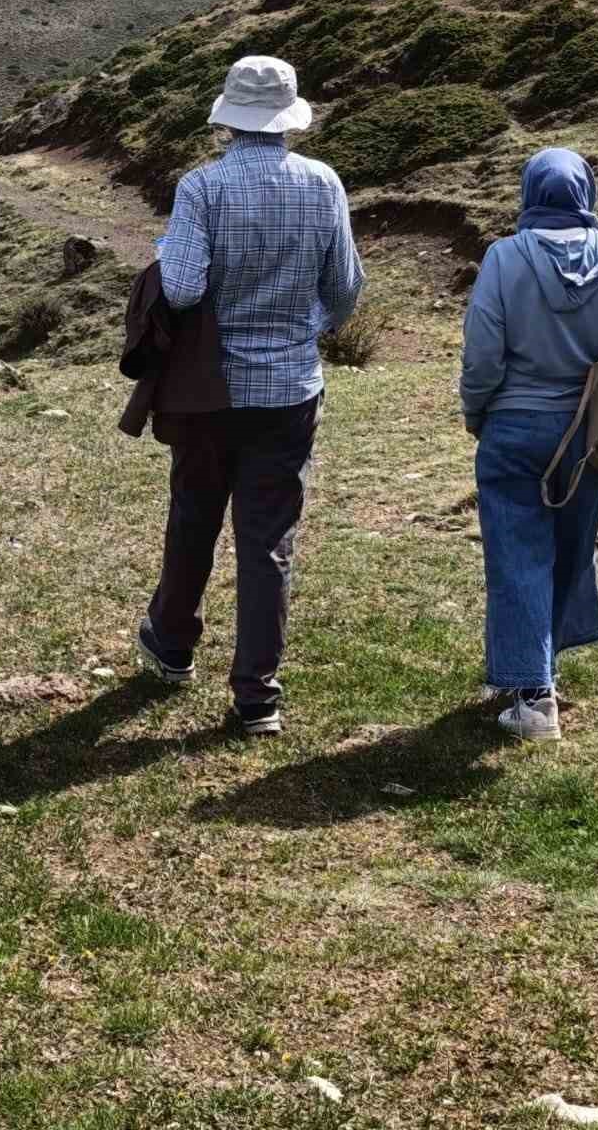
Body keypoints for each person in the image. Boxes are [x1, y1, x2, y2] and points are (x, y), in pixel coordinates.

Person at [137, 55, 365, 734]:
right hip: (291, 389)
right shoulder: (323, 184)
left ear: (228, 118)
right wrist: (305, 331)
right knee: (269, 540)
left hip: (210, 388)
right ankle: (256, 696)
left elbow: (179, 289)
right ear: (287, 119)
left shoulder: (201, 188)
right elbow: (346, 290)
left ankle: (174, 643)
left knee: (194, 516)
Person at [461, 148, 598, 743]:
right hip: (592, 433)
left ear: (529, 193)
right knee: (570, 547)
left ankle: (532, 694)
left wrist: (477, 413)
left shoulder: (505, 258)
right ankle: (540, 669)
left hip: (515, 426)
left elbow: (482, 354)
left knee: (517, 554)